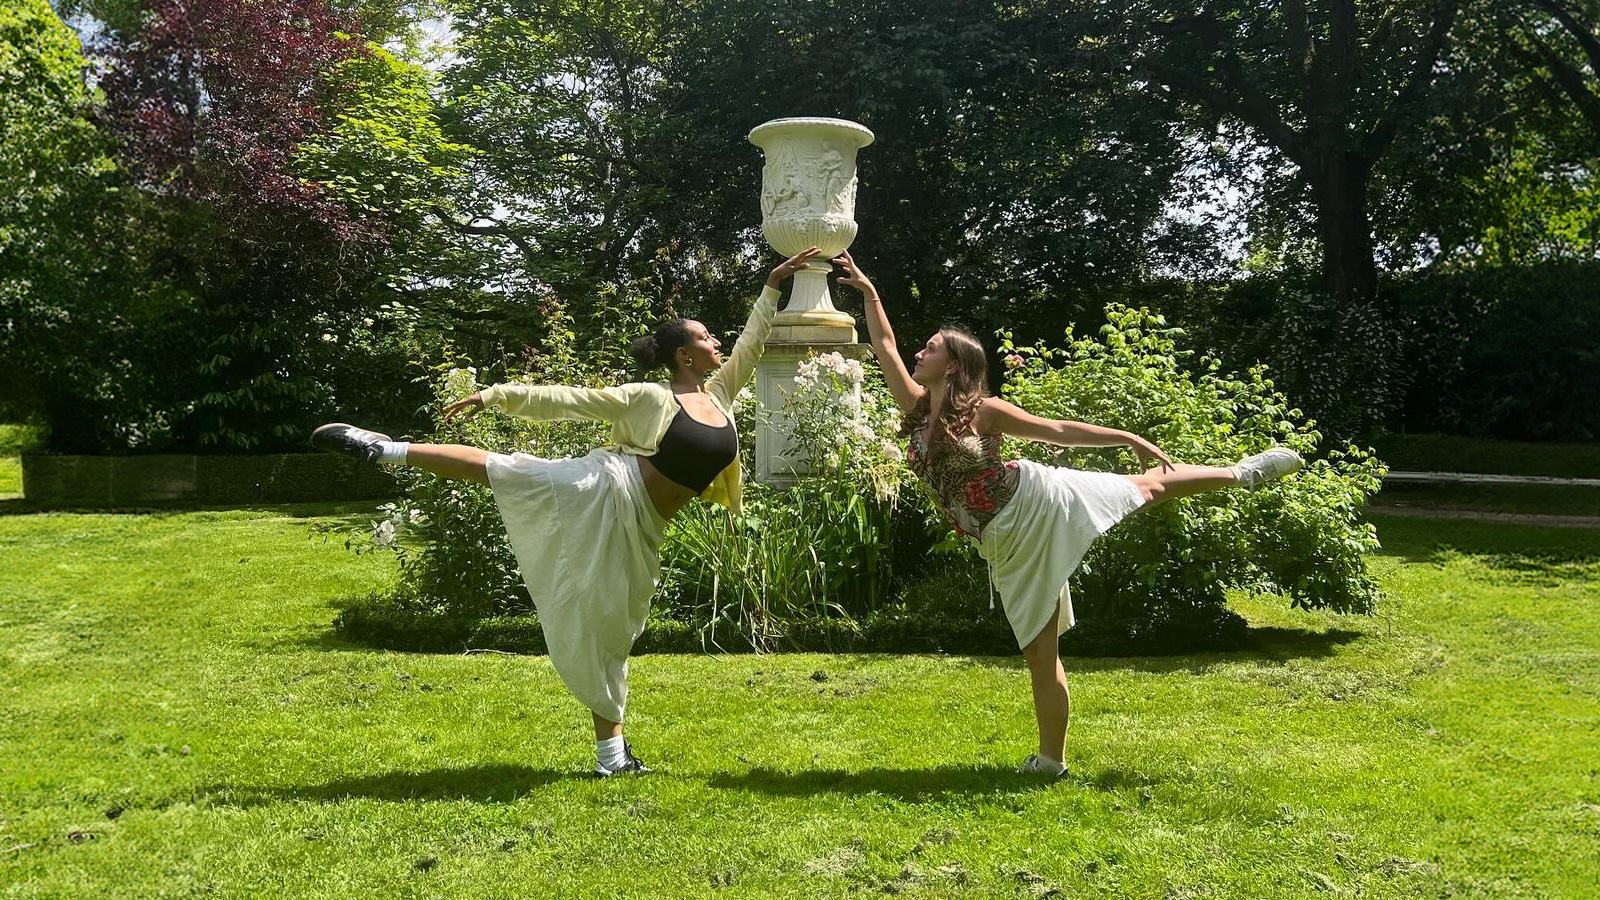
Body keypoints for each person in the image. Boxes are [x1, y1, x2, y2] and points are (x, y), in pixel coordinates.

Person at [310, 247, 823, 777]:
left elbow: (752, 342)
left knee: (613, 625)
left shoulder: (719, 397)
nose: (716, 342)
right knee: (508, 470)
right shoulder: (648, 396)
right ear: (683, 356)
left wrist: (772, 285)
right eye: (703, 336)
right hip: (603, 487)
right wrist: (494, 395)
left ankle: (611, 758)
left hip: (643, 526)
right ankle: (385, 448)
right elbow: (569, 398)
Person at [832, 250, 1303, 778]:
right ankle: (1052, 762)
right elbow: (885, 345)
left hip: (1036, 500)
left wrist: (1128, 436)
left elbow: (1056, 431)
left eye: (933, 347)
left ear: (956, 365)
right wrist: (869, 292)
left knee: (1146, 488)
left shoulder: (984, 411)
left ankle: (1243, 473)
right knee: (1039, 653)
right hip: (1003, 541)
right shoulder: (917, 407)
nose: (920, 352)